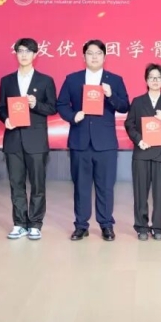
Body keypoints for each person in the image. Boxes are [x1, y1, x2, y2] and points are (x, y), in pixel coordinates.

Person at [56, 39, 130, 241]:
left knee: (105, 186)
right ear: (84, 57)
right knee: (81, 186)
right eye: (90, 53)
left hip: (105, 143)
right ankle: (81, 225)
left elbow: (125, 106)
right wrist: (73, 116)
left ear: (105, 57)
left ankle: (106, 225)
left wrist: (111, 95)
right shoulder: (72, 79)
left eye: (98, 53)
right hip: (80, 141)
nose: (94, 57)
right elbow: (61, 104)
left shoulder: (115, 80)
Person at [0, 38, 57, 240]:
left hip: (36, 140)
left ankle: (35, 223)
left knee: (37, 184)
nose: (24, 55)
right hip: (13, 139)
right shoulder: (7, 81)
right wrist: (5, 119)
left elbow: (52, 107)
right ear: (16, 54)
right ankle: (19, 223)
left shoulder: (45, 80)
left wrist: (36, 104)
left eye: (28, 51)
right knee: (16, 184)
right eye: (20, 51)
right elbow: (1, 108)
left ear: (35, 54)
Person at [124, 64, 161, 241]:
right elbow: (129, 124)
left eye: (158, 78)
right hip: (142, 152)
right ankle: (141, 226)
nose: (155, 80)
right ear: (146, 80)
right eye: (151, 77)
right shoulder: (138, 101)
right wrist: (138, 140)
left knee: (160, 193)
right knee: (140, 192)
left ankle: (157, 227)